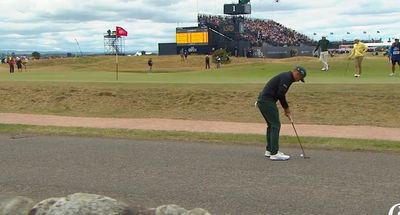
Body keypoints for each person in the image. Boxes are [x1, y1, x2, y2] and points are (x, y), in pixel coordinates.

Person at [256, 66, 307, 161]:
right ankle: (274, 153)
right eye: (300, 78)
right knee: (275, 125)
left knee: (271, 125)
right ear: (297, 74)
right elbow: (280, 94)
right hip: (267, 101)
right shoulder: (287, 78)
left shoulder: (287, 77)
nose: (299, 81)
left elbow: (279, 93)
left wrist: (285, 109)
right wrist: (286, 108)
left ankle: (270, 150)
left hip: (263, 101)